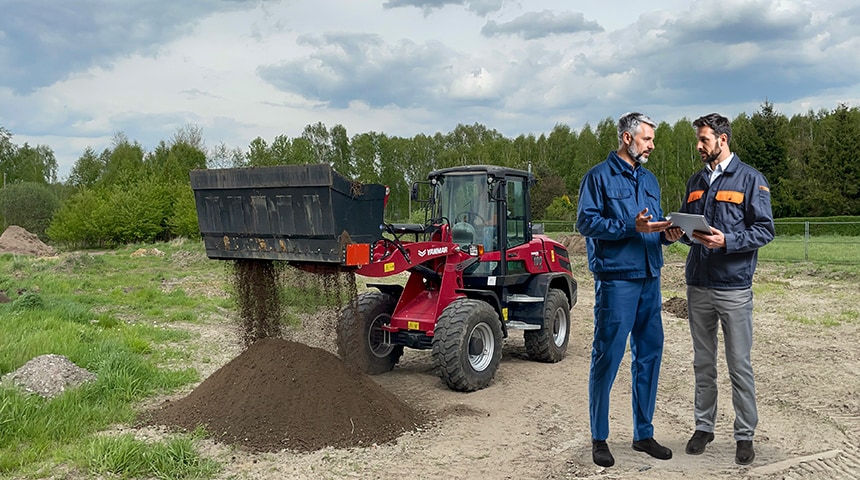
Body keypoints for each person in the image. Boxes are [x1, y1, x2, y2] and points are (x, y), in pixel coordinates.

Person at [576, 112, 683, 467]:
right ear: (627, 138)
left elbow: (650, 225)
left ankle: (643, 434)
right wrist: (628, 226)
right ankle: (599, 437)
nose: (652, 145)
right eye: (647, 139)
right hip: (617, 279)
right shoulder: (598, 177)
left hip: (651, 277)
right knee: (607, 357)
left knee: (649, 355)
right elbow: (586, 222)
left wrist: (668, 234)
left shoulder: (650, 179)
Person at [678, 113, 774, 465]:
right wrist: (678, 232)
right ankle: (704, 427)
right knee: (703, 363)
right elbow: (690, 229)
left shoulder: (751, 180)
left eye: (704, 140)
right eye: (699, 140)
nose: (700, 146)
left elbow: (764, 230)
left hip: (733, 287)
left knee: (739, 363)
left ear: (723, 139)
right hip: (698, 284)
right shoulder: (696, 180)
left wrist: (728, 241)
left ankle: (745, 434)